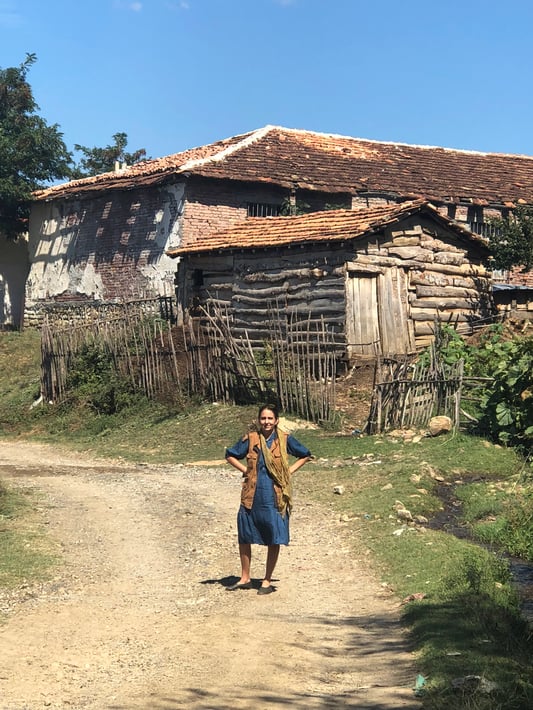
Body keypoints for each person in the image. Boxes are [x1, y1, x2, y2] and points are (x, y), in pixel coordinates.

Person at [225, 403, 312, 595]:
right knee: (245, 534)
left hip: (275, 495)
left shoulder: (284, 439)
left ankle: (266, 580)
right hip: (252, 494)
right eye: (263, 418)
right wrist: (245, 471)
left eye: (270, 418)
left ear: (276, 421)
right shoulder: (251, 439)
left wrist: (288, 472)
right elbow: (230, 455)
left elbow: (305, 455)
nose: (266, 422)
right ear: (259, 420)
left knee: (274, 535)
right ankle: (245, 577)